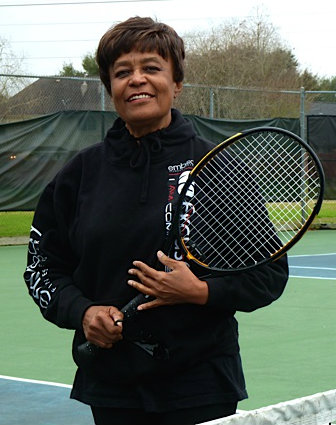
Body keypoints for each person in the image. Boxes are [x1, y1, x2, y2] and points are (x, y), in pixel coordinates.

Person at [24, 16, 289, 425]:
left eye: (151, 67)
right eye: (122, 72)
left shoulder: (220, 168)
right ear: (109, 88)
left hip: (201, 385)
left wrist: (199, 291)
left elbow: (269, 275)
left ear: (177, 83)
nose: (136, 79)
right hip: (111, 386)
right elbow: (43, 268)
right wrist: (83, 312)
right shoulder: (79, 175)